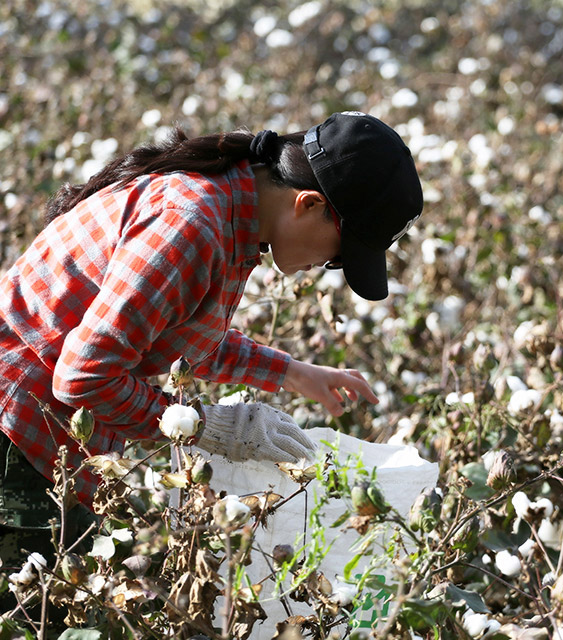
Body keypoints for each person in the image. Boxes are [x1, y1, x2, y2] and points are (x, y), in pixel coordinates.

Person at [0, 112, 424, 574]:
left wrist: (295, 372)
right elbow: (84, 377)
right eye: (338, 256)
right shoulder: (192, 225)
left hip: (35, 432)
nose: (328, 265)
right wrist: (212, 427)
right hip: (17, 429)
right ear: (308, 204)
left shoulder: (229, 208)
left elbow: (175, 329)